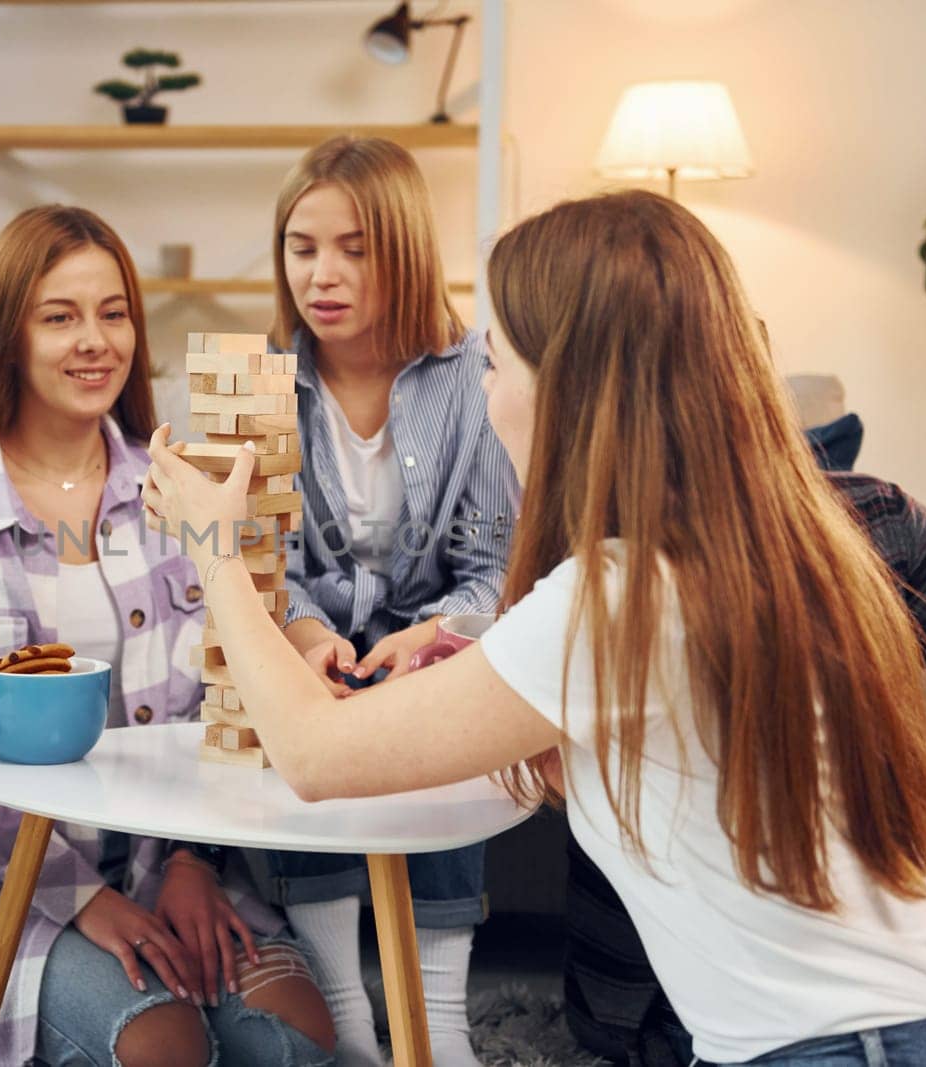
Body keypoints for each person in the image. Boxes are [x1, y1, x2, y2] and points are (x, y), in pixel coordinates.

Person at [143, 189, 926, 1065]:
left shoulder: (623, 595)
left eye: (495, 365)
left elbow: (314, 754)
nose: (482, 392)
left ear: (566, 388)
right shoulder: (782, 547)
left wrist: (218, 550)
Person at [0, 205, 334, 1067]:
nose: (95, 341)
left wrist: (192, 859)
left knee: (296, 1042)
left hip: (178, 867)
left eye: (113, 313)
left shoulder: (177, 495)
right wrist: (82, 899)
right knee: (167, 1045)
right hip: (10, 895)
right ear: (7, 334)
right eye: (60, 316)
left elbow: (224, 700)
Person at [564, 467, 926, 1065]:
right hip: (709, 974)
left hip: (904, 879)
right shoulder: (624, 576)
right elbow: (759, 895)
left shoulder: (875, 517)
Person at [265, 134, 519, 1067]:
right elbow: (263, 555)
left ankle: (438, 1022)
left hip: (437, 647)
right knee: (301, 705)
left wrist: (438, 635)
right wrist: (301, 632)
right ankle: (348, 1019)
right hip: (314, 650)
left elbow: (496, 562)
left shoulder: (476, 377)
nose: (322, 275)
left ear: (404, 249)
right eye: (302, 247)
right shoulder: (264, 382)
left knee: (446, 702)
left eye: (355, 247)